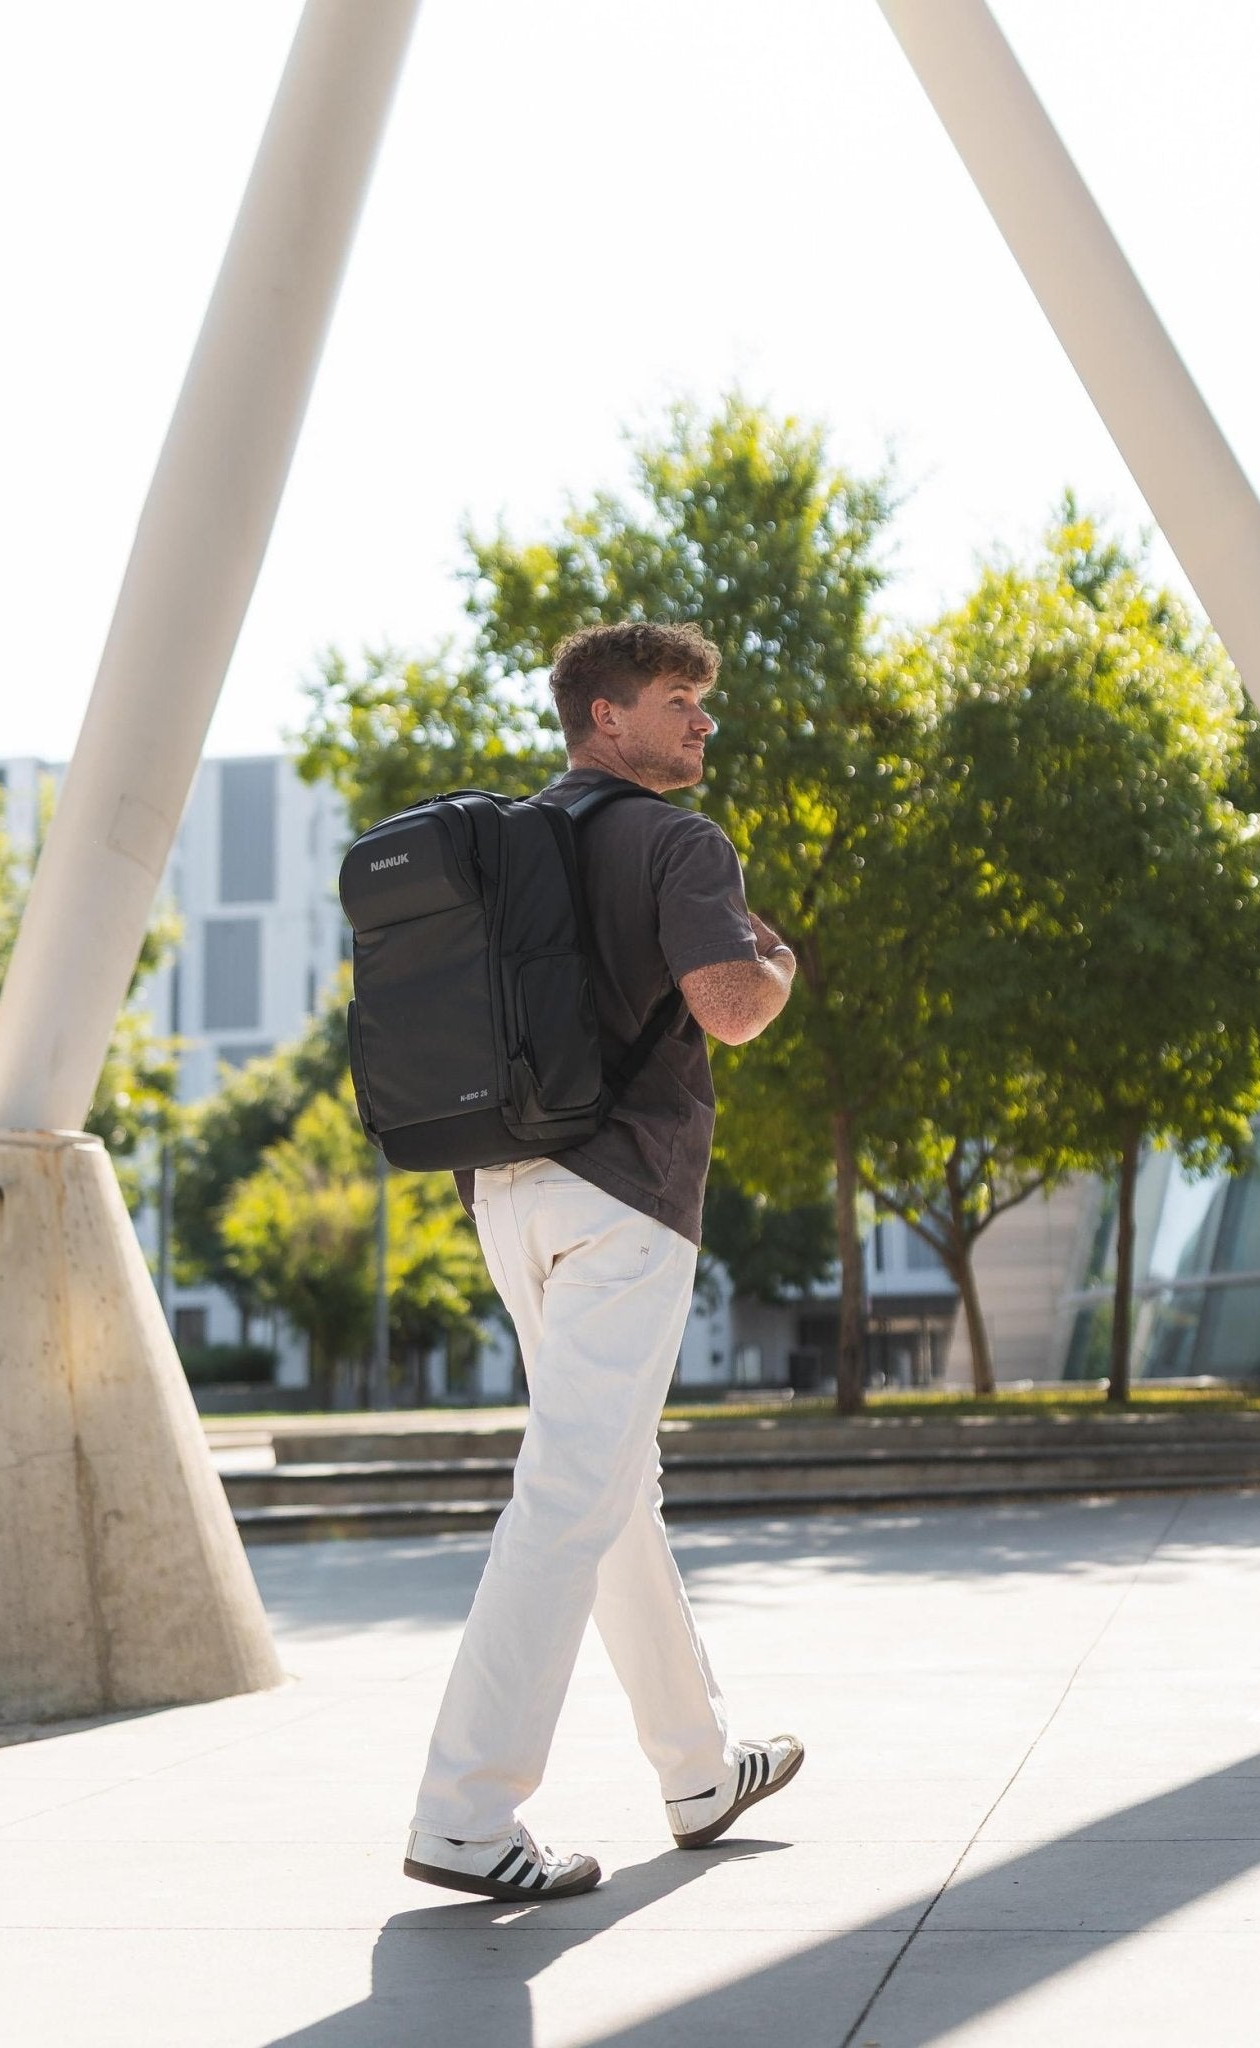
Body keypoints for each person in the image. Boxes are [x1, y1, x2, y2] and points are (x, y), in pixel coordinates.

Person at [403, 620, 804, 1903]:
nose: (700, 724)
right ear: (603, 719)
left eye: (702, 702)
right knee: (574, 1488)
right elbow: (729, 1007)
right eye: (677, 701)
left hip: (504, 1189)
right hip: (623, 1197)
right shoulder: (677, 842)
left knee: (613, 1481)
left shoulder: (505, 848)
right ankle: (465, 1809)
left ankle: (697, 1766)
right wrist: (777, 967)